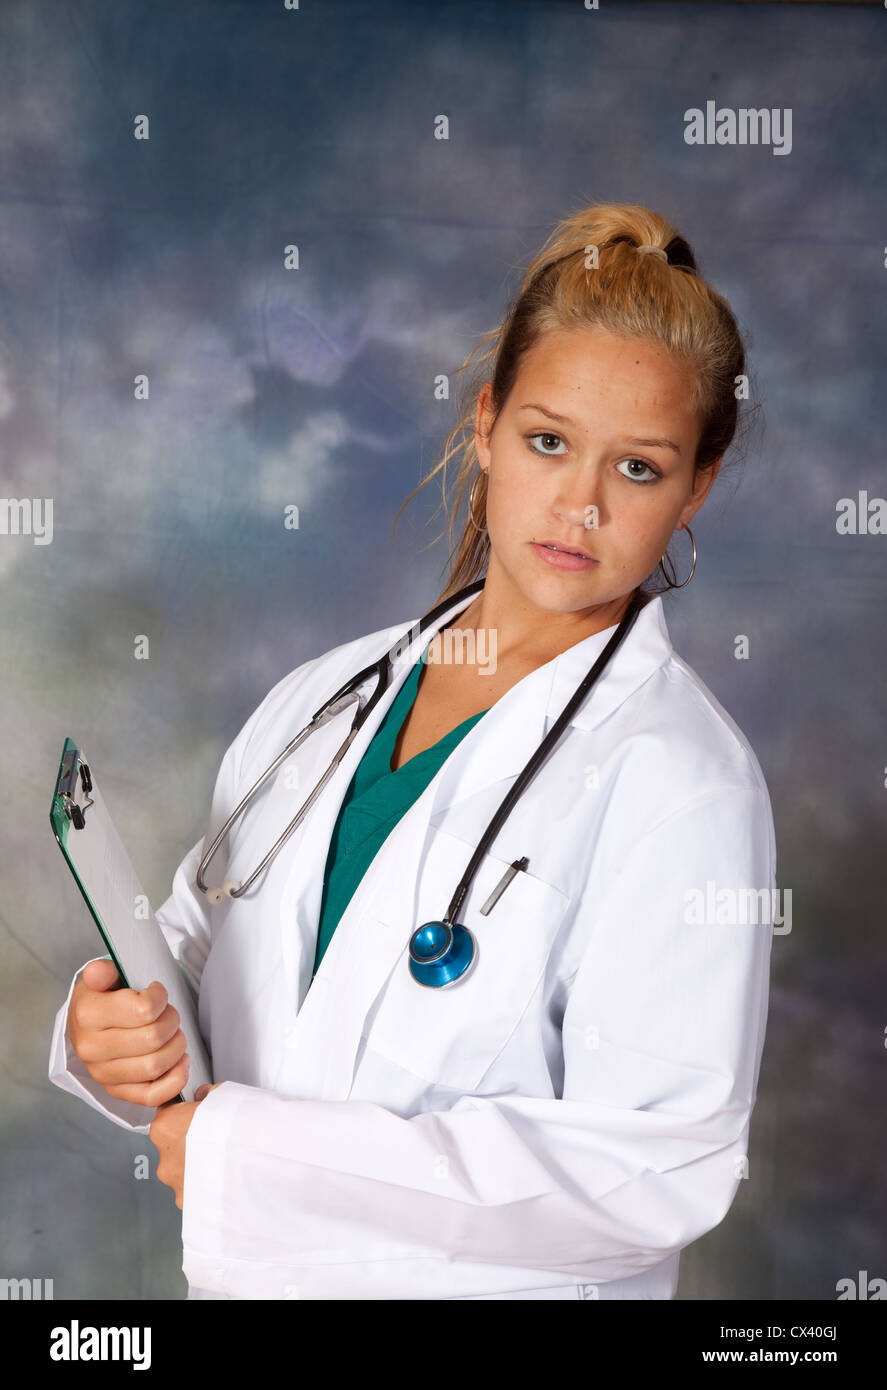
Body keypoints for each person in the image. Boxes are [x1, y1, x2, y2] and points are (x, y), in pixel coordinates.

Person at [49, 201, 776, 1301]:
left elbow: (651, 1173)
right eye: (546, 441)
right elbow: (203, 957)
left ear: (694, 487)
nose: (577, 505)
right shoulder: (321, 701)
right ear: (483, 426)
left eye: (636, 469)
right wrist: (112, 1035)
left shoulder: (681, 780)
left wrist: (255, 1157)